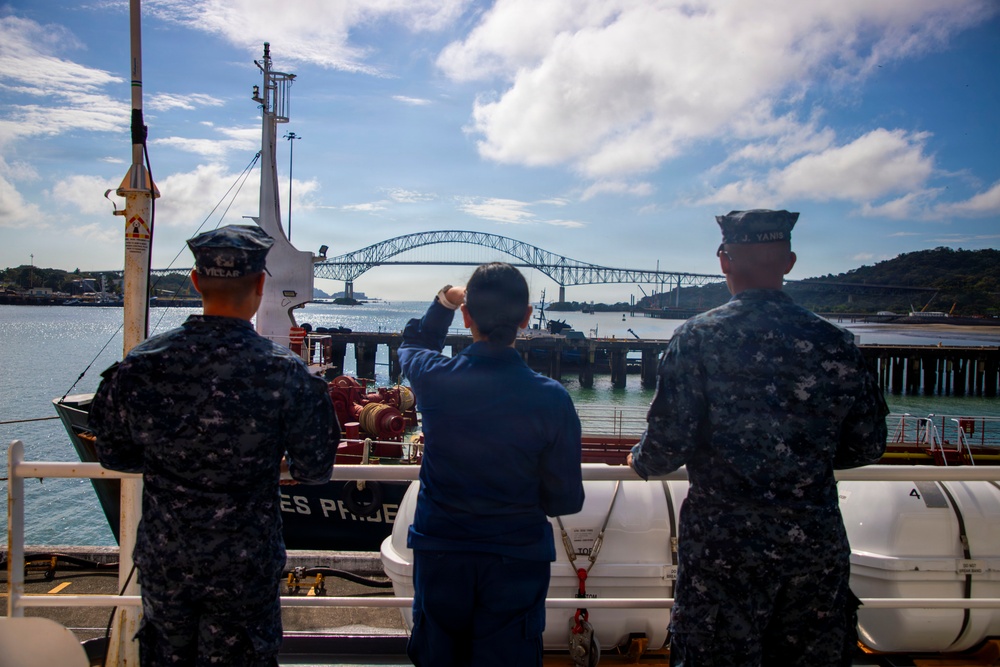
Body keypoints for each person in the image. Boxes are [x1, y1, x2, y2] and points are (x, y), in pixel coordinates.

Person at [628, 210, 889, 667]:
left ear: (724, 261)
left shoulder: (697, 338)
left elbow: (666, 448)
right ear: (789, 262)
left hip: (722, 552)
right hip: (813, 550)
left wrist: (638, 461)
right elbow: (866, 445)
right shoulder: (837, 342)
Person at [89, 224, 340, 666]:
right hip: (245, 562)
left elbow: (114, 454)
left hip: (168, 558)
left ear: (195, 280)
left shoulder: (140, 366)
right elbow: (316, 468)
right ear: (261, 284)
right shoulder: (287, 375)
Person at [399, 262, 585, 667]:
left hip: (441, 551)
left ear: (467, 317)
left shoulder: (435, 378)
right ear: (526, 317)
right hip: (517, 557)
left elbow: (414, 344)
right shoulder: (553, 399)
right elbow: (565, 499)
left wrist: (443, 302)